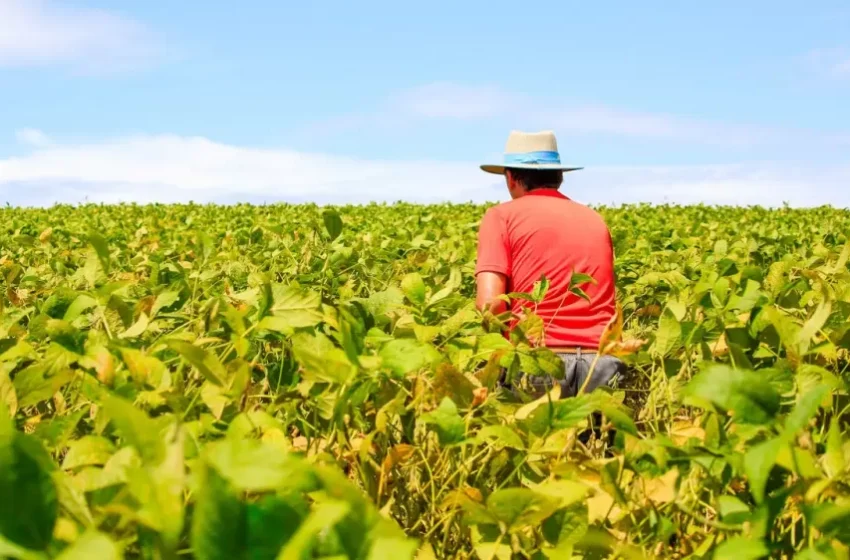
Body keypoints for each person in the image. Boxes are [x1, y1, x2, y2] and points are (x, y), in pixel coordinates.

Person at [475, 130, 625, 399]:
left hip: (538, 360)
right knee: (597, 441)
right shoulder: (595, 219)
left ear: (510, 178)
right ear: (559, 176)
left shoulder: (501, 216)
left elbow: (490, 305)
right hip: (603, 362)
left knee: (532, 441)